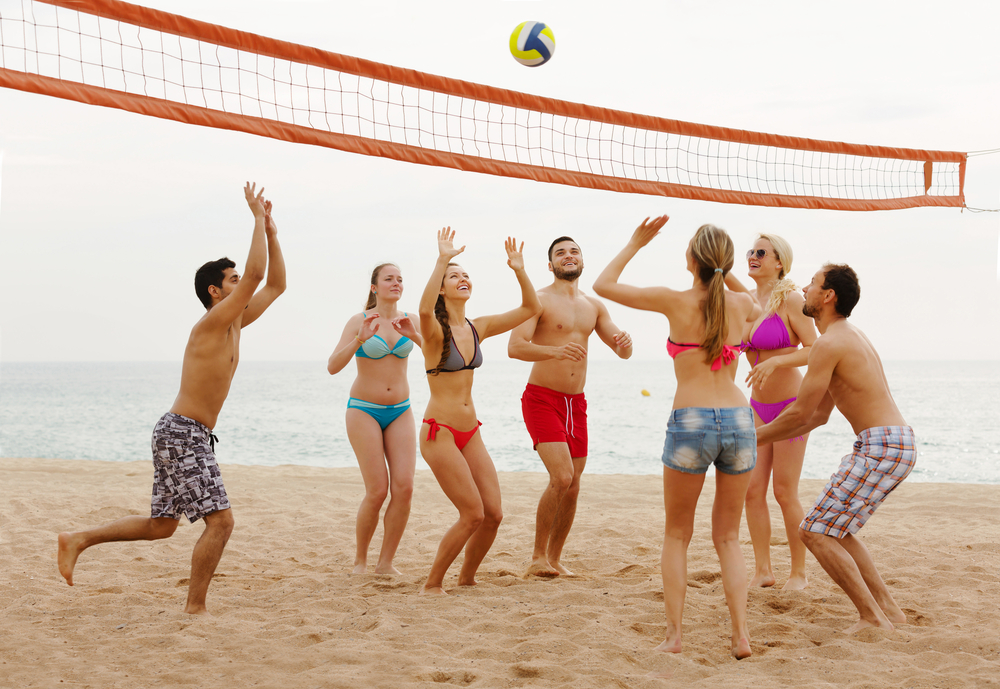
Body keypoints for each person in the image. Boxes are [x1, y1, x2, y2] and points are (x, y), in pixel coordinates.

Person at [57, 182, 286, 614]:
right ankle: (195, 609)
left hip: (180, 431)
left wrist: (271, 232)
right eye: (233, 281)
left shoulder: (235, 324)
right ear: (216, 293)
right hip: (184, 433)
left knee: (162, 526)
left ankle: (79, 539)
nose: (243, 286)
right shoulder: (212, 324)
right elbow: (256, 277)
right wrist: (255, 217)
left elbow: (274, 285)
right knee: (221, 522)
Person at [593, 216, 759, 660]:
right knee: (728, 537)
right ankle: (741, 637)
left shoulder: (675, 300)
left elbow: (604, 284)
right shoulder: (744, 306)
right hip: (740, 420)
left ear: (691, 260)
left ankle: (674, 637)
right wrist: (726, 274)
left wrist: (635, 241)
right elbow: (755, 301)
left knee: (676, 534)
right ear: (724, 262)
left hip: (692, 420)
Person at [755, 264, 915, 634]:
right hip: (893, 442)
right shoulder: (848, 335)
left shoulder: (829, 343)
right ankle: (890, 612)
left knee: (812, 530)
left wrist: (751, 439)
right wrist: (761, 437)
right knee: (835, 529)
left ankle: (871, 617)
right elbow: (818, 416)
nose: (805, 288)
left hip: (882, 445)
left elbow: (797, 413)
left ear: (828, 296)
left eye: (813, 283)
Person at [417, 227, 541, 595]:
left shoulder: (478, 326)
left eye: (465, 275)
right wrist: (441, 259)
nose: (463, 279)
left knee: (494, 514)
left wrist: (519, 269)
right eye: (454, 276)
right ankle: (432, 584)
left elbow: (531, 309)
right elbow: (423, 308)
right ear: (442, 287)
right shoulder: (434, 332)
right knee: (472, 513)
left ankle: (467, 577)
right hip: (439, 432)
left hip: (471, 431)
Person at [508, 236, 632, 577]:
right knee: (561, 476)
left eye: (574, 251)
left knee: (574, 484)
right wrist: (555, 351)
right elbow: (515, 347)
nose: (568, 256)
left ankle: (555, 558)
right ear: (550, 265)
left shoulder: (594, 307)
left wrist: (626, 344)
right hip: (541, 398)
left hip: (575, 403)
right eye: (560, 253)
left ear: (581, 260)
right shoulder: (539, 301)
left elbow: (622, 351)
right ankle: (537, 558)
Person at [725, 234, 817, 590]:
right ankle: (763, 570)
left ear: (779, 262)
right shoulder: (746, 301)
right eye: (750, 252)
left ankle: (799, 573)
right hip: (755, 407)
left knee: (784, 491)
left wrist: (776, 363)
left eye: (761, 252)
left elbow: (814, 348)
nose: (752, 256)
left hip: (790, 405)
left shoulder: (791, 298)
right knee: (751, 490)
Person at [327, 263, 422, 575]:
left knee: (405, 487)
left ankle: (385, 563)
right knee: (378, 490)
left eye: (400, 279)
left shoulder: (411, 319)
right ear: (374, 287)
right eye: (388, 279)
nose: (396, 283)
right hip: (363, 409)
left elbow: (439, 355)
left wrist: (417, 337)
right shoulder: (360, 319)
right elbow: (333, 366)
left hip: (401, 410)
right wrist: (359, 339)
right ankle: (361, 561)